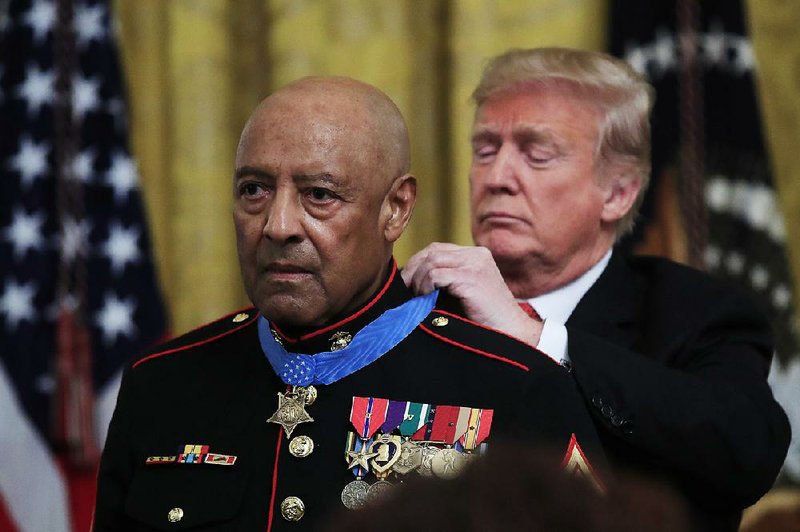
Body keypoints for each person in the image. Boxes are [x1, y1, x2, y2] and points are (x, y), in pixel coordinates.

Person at [93, 76, 606, 531]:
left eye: (319, 195)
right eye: (254, 190)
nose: (278, 226)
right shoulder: (162, 382)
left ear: (396, 209)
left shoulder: (513, 387)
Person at [403, 47, 791, 531]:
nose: (497, 178)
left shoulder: (697, 314)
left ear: (617, 193)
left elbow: (747, 451)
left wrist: (537, 338)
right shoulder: (415, 309)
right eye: (485, 150)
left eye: (537, 154)